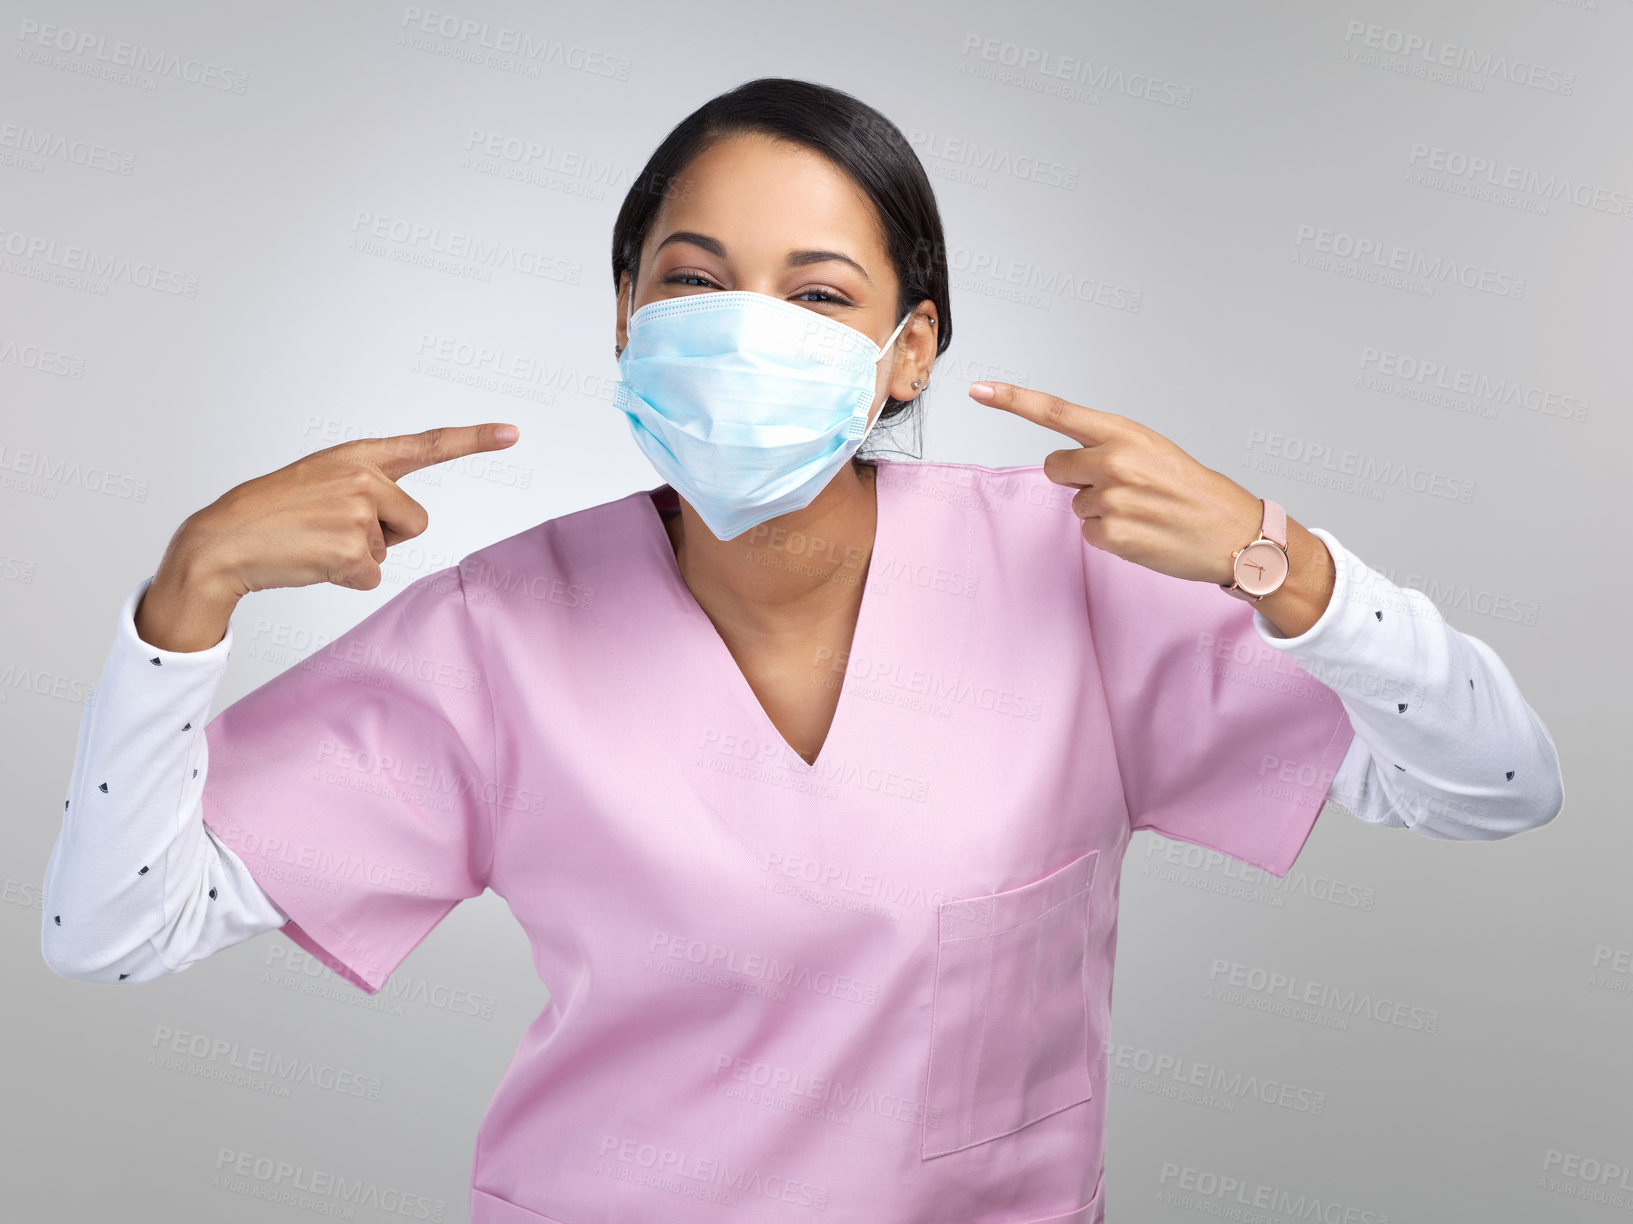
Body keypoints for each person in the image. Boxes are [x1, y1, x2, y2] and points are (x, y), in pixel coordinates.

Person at [41, 78, 1564, 1224]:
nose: (739, 325)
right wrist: (183, 607)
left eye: (818, 294)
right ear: (626, 313)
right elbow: (111, 931)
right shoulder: (497, 637)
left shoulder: (1069, 576)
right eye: (692, 281)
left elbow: (1494, 782)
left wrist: (1285, 566)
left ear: (909, 348)